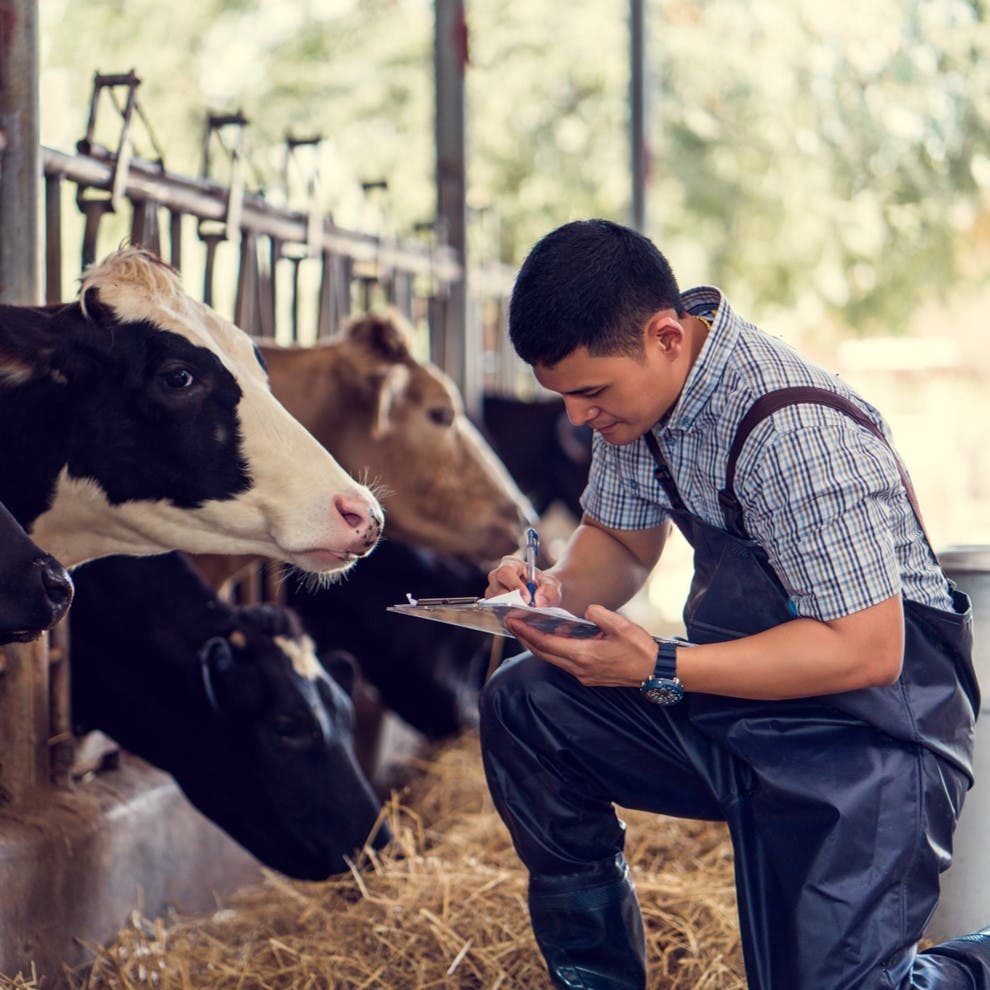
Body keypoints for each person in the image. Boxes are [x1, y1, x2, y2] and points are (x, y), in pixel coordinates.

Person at [479, 218, 987, 989]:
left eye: (589, 393)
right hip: (741, 709)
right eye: (566, 397)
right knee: (526, 703)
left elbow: (868, 650)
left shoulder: (792, 430)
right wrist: (547, 592)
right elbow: (619, 546)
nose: (577, 419)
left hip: (872, 737)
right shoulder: (637, 407)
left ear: (665, 338)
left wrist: (658, 664)